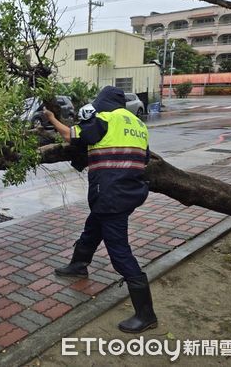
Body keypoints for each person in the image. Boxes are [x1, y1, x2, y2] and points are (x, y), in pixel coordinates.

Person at [43, 86, 157, 333]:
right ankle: (78, 265)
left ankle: (146, 314)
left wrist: (52, 119)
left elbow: (71, 135)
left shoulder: (105, 118)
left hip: (110, 194)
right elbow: (144, 158)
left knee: (119, 252)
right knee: (92, 228)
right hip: (128, 192)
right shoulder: (138, 125)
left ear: (104, 103)